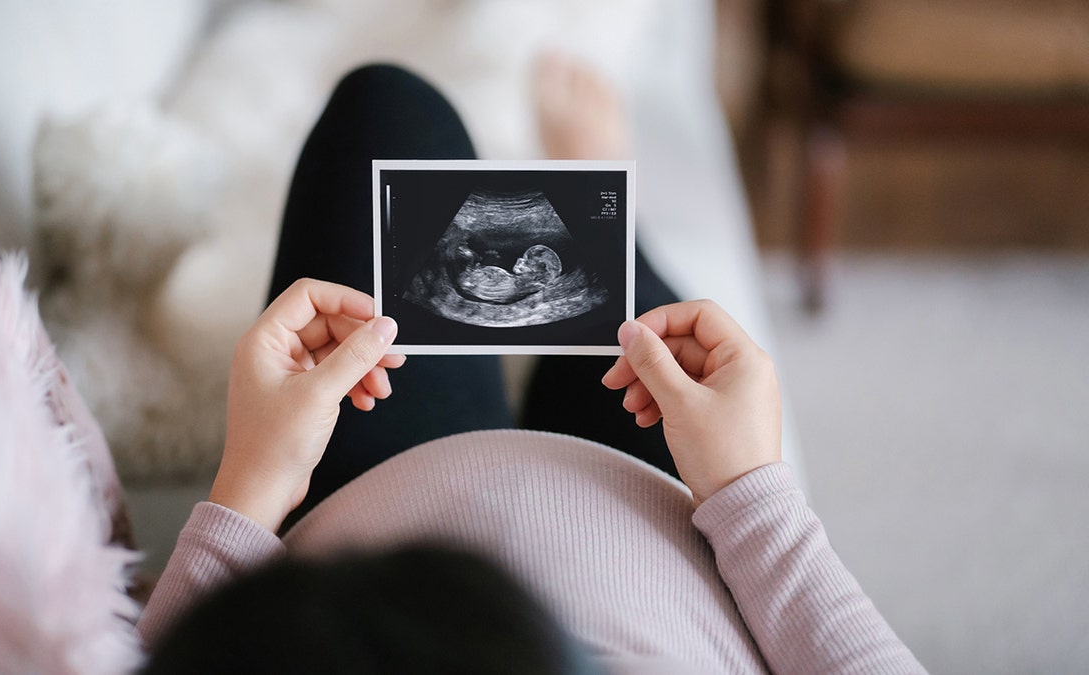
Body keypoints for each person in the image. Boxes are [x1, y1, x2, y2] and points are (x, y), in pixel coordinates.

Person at [137, 58, 926, 673]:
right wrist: (752, 493)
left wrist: (250, 483)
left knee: (386, 108)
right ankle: (600, 186)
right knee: (640, 311)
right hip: (676, 500)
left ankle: (594, 202)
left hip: (354, 496)